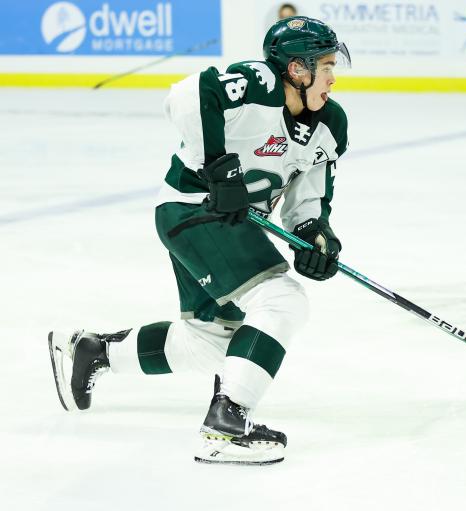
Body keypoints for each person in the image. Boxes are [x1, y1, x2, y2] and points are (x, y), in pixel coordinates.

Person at [48, 16, 351, 466]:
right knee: (283, 300)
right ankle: (226, 424)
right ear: (295, 69)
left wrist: (315, 237)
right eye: (324, 65)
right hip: (192, 208)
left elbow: (308, 200)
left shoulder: (330, 122)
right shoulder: (257, 82)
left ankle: (94, 352)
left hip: (225, 222)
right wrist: (218, 165)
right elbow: (188, 95)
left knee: (211, 342)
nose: (332, 76)